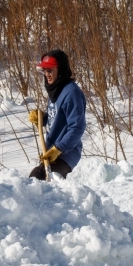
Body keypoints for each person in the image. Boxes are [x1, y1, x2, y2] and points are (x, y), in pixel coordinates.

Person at [28, 49, 85, 180]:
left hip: (66, 154)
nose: (46, 74)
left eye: (50, 70)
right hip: (51, 152)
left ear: (61, 70)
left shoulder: (71, 93)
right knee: (35, 180)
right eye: (44, 71)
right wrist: (42, 118)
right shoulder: (56, 90)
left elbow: (77, 128)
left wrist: (58, 149)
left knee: (39, 180)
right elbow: (57, 118)